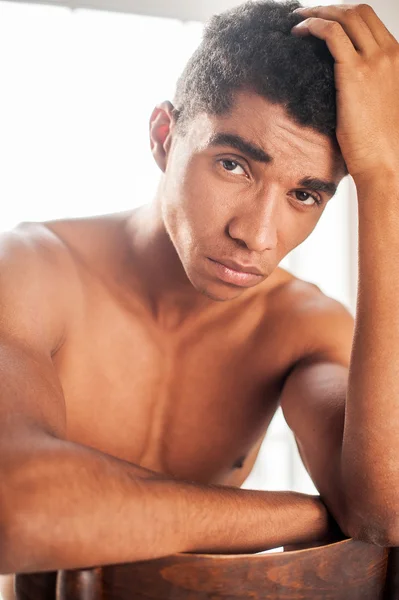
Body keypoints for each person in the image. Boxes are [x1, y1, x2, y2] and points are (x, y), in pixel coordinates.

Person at [1, 0, 399, 596]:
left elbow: (383, 509)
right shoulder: (29, 273)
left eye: (305, 195)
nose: (257, 236)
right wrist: (313, 512)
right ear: (164, 136)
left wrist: (384, 179)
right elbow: (18, 510)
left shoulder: (303, 328)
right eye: (234, 165)